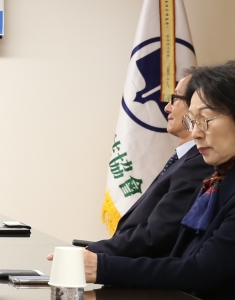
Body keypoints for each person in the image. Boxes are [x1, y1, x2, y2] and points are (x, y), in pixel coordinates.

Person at [81, 60, 235, 300]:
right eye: (192, 121)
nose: (195, 133)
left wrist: (102, 267)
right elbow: (179, 258)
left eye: (204, 120)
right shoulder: (217, 179)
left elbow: (199, 271)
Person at [86, 72, 211, 258]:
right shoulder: (183, 159)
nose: (167, 108)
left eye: (175, 99)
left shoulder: (199, 163)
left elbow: (157, 234)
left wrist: (93, 254)